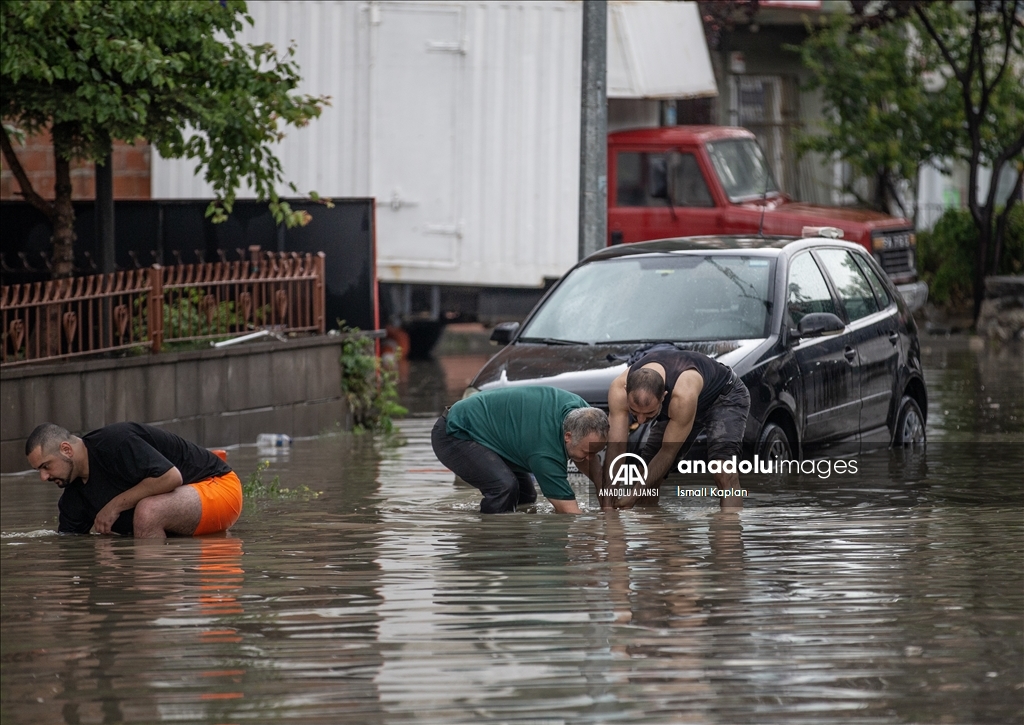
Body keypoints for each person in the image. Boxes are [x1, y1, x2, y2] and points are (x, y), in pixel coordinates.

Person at [25, 422, 243, 538]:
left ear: (66, 449)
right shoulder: (73, 499)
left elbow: (170, 477)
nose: (44, 477)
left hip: (218, 485)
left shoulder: (116, 442)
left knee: (149, 511)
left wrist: (113, 507)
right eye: (38, 471)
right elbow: (70, 546)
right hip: (185, 503)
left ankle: (151, 595)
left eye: (46, 466)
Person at [606, 347, 750, 509]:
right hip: (683, 407)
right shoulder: (619, 388)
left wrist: (632, 495)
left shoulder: (682, 395)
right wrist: (608, 503)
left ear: (664, 396)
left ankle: (729, 529)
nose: (641, 420)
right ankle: (653, 531)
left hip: (724, 396)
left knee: (723, 471)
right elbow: (616, 446)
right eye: (634, 412)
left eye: (650, 413)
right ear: (626, 393)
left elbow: (668, 451)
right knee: (645, 475)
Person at [432, 386, 609, 514]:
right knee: (504, 488)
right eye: (587, 452)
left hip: (493, 431)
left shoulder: (585, 415)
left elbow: (592, 465)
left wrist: (607, 505)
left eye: (596, 451)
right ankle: (487, 542)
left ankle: (517, 539)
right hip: (455, 432)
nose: (591, 458)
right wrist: (597, 534)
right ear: (568, 436)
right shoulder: (545, 451)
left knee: (526, 495)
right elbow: (569, 512)